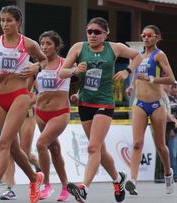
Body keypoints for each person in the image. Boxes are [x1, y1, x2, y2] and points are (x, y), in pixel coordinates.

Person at [59, 17, 143, 203]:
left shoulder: (114, 48)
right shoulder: (78, 48)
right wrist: (74, 70)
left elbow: (138, 55)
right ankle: (118, 178)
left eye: (97, 32)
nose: (92, 35)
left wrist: (127, 72)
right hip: (85, 104)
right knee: (100, 150)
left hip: (104, 103)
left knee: (92, 147)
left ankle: (84, 189)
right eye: (89, 32)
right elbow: (61, 72)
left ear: (106, 34)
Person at [0, 5, 47, 203]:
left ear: (18, 23)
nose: (5, 24)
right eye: (2, 20)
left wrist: (35, 67)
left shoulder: (28, 44)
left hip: (19, 95)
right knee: (13, 148)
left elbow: (44, 60)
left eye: (9, 20)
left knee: (2, 142)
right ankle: (34, 178)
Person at [124, 25, 175, 196]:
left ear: (156, 38)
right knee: (137, 143)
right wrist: (131, 86)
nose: (145, 38)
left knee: (160, 145)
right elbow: (135, 73)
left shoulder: (159, 55)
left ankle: (168, 174)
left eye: (149, 35)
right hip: (139, 103)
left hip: (156, 104)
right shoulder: (137, 56)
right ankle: (133, 180)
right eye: (143, 35)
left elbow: (171, 78)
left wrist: (152, 79)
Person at [34, 30, 70, 201]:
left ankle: (46, 184)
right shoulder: (37, 66)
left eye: (48, 43)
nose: (44, 47)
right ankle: (65, 186)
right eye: (42, 43)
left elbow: (81, 79)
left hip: (60, 113)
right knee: (54, 150)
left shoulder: (65, 63)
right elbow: (27, 89)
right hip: (40, 113)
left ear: (56, 46)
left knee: (41, 143)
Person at [0, 88, 41, 200]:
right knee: (10, 151)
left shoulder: (32, 72)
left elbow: (38, 95)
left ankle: (39, 171)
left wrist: (22, 101)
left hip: (28, 114)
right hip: (11, 113)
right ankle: (9, 189)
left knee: (24, 153)